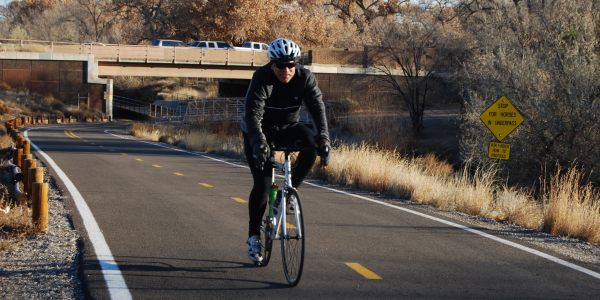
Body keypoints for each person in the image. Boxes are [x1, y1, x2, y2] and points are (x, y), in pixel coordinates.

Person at [241, 38, 331, 263]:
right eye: (281, 66)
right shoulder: (262, 78)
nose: (286, 70)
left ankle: (288, 195)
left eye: (291, 64)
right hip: (260, 132)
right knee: (262, 185)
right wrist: (259, 141)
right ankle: (254, 236)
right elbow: (253, 114)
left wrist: (324, 139)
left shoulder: (305, 78)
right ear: (272, 64)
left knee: (312, 145)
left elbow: (317, 110)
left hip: (288, 127)